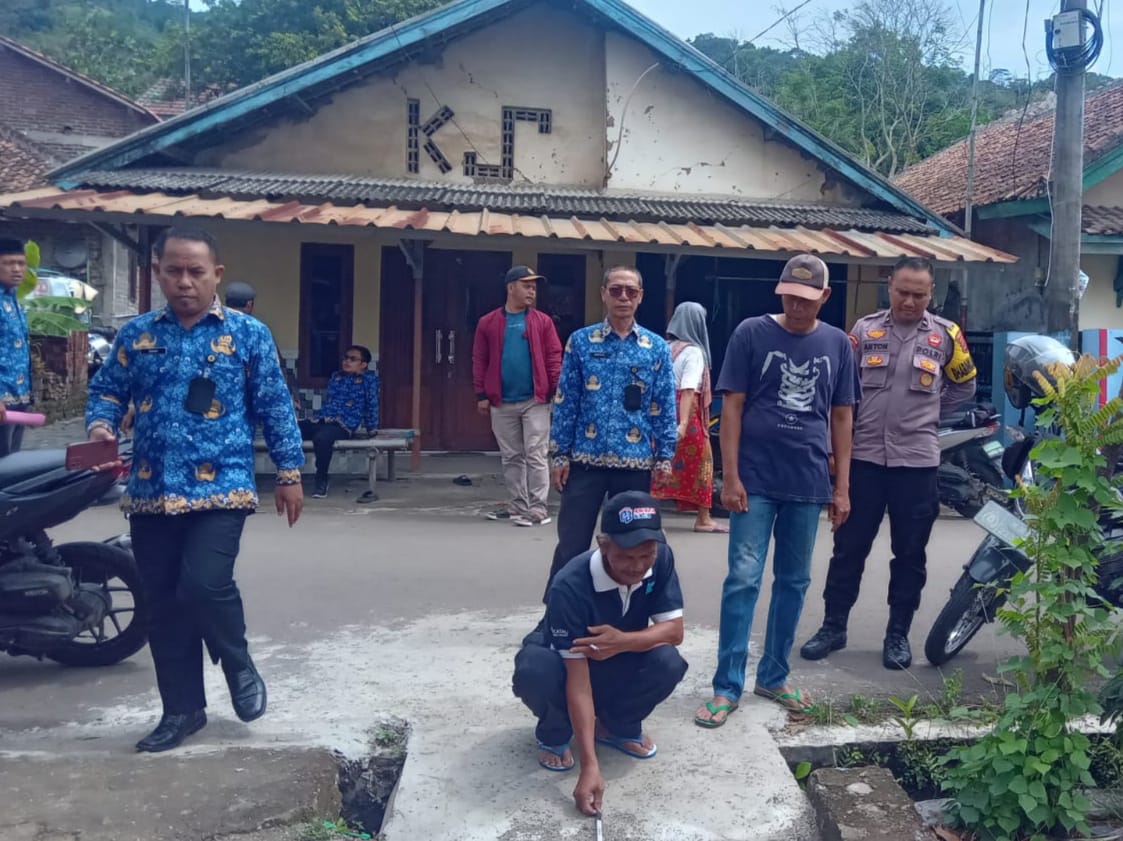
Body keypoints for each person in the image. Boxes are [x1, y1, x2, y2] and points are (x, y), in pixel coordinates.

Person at [86, 227, 304, 753]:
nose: (185, 282)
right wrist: (101, 426)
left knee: (204, 584)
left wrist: (290, 473)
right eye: (174, 271)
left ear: (216, 275)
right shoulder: (136, 335)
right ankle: (182, 711)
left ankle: (236, 660)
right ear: (157, 273)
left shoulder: (248, 335)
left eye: (196, 272)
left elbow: (275, 405)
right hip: (151, 490)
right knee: (162, 604)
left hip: (222, 488)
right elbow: (107, 392)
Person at [694, 254, 857, 727]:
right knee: (743, 579)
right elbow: (732, 407)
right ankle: (727, 686)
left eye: (806, 299)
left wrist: (842, 488)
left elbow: (842, 416)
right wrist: (730, 477)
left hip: (807, 481)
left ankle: (774, 675)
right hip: (755, 479)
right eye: (789, 296)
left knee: (794, 581)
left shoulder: (837, 344)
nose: (797, 306)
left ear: (825, 297)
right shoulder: (751, 333)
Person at [800, 256, 977, 670]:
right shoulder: (865, 330)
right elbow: (840, 388)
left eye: (919, 294)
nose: (909, 302)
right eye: (903, 292)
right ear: (889, 287)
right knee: (848, 549)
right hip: (864, 460)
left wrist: (928, 414)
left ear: (931, 294)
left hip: (917, 464)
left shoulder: (947, 336)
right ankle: (833, 627)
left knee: (910, 555)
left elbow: (964, 387)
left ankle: (897, 635)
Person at [512, 490, 687, 816]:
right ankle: (554, 732)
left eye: (646, 554)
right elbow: (578, 681)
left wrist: (622, 641)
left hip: (615, 653)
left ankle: (616, 726)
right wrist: (590, 767)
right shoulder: (569, 586)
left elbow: (674, 632)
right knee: (534, 669)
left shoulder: (661, 558)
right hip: (568, 664)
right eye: (626, 556)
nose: (638, 566)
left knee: (667, 662)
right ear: (603, 544)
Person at [545, 266, 677, 599]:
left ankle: (630, 609)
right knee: (572, 544)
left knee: (634, 544)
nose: (623, 297)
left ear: (640, 297)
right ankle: (558, 612)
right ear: (603, 293)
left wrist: (664, 456)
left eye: (631, 291)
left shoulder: (656, 347)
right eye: (616, 290)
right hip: (584, 461)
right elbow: (566, 401)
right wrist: (559, 454)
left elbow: (664, 405)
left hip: (634, 463)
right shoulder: (581, 342)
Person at [472, 265, 563, 526]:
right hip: (500, 400)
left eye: (534, 287)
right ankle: (518, 505)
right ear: (511, 288)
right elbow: (479, 358)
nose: (532, 291)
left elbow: (553, 356)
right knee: (511, 455)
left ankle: (538, 508)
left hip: (536, 399)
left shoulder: (543, 322)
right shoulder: (487, 322)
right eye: (526, 286)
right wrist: (481, 393)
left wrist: (556, 389)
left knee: (536, 453)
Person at [651, 301, 726, 534]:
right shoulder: (694, 352)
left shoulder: (663, 347)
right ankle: (703, 518)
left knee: (658, 462)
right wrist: (683, 423)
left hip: (661, 412)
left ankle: (649, 516)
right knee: (704, 462)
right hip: (687, 414)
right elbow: (688, 390)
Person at [299, 345, 380, 499]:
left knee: (322, 438)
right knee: (290, 430)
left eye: (353, 359)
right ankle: (287, 475)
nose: (347, 361)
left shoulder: (369, 380)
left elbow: (372, 405)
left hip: (343, 425)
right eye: (346, 358)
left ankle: (321, 479)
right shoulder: (336, 377)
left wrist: (372, 429)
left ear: (363, 364)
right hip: (322, 420)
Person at [0, 238, 31, 456]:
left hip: (19, 398)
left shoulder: (14, 301)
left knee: (12, 463)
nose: (17, 269)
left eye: (21, 263)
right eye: (9, 263)